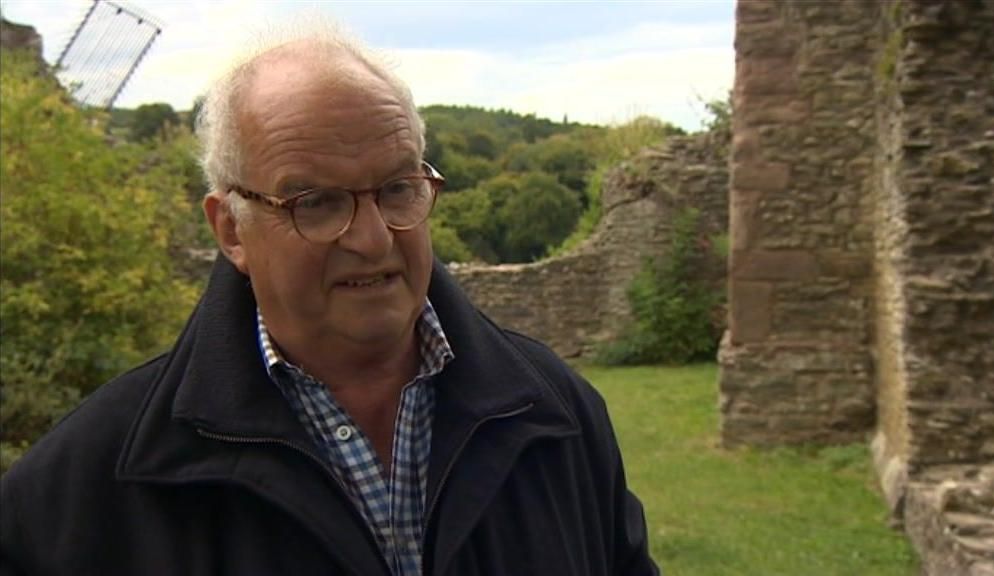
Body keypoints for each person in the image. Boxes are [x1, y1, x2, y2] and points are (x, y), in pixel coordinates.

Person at [0, 26, 658, 576]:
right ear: (231, 230)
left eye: (398, 189)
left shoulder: (557, 413)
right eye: (315, 202)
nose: (372, 241)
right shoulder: (83, 488)